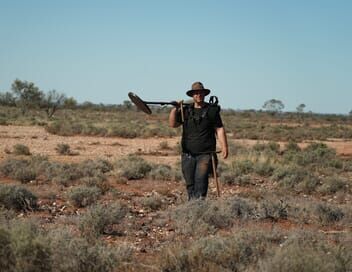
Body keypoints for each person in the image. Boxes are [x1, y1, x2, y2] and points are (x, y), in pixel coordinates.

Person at [169, 82, 228, 199]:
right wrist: (175, 109)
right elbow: (173, 124)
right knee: (190, 183)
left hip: (205, 154)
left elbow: (219, 129)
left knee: (201, 182)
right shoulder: (185, 110)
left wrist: (224, 146)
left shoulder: (212, 110)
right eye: (196, 93)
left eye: (201, 93)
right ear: (192, 95)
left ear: (204, 94)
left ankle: (199, 206)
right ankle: (192, 206)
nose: (198, 95)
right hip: (187, 154)